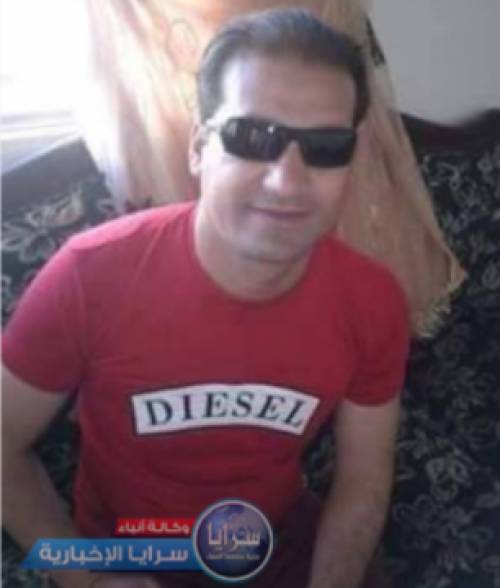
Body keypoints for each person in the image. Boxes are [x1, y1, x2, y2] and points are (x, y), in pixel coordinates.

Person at [3, 8, 409, 588]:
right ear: (198, 146)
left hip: (277, 543)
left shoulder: (372, 300)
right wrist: (86, 578)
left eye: (325, 147)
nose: (286, 181)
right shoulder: (90, 276)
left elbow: (364, 477)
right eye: (251, 138)